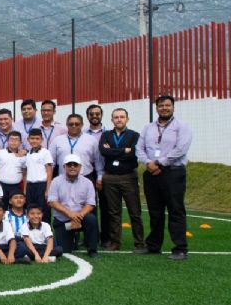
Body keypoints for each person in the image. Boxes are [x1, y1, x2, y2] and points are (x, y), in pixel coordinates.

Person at [136, 95, 192, 260]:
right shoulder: (148, 128)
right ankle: (153, 245)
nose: (164, 108)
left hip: (173, 172)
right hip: (151, 173)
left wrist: (159, 163)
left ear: (173, 107)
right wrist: (148, 163)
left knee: (176, 210)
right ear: (157, 108)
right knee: (155, 211)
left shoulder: (182, 126)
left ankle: (180, 248)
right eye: (161, 106)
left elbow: (181, 148)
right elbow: (139, 148)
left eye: (168, 105)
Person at [98, 108, 145, 252]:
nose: (119, 119)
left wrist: (114, 152)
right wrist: (124, 150)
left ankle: (139, 243)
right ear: (112, 120)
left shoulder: (134, 135)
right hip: (110, 177)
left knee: (134, 211)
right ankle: (115, 242)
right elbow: (103, 151)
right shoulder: (106, 135)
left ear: (127, 119)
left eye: (122, 117)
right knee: (113, 212)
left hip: (128, 176)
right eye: (116, 117)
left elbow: (133, 154)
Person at [48, 154, 99, 258]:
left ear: (80, 167)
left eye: (75, 165)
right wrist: (70, 214)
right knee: (65, 250)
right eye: (69, 165)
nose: (72, 167)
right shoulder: (56, 181)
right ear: (64, 167)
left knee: (91, 220)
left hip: (82, 219)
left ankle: (92, 250)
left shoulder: (87, 182)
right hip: (63, 220)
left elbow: (91, 204)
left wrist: (78, 216)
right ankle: (73, 239)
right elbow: (52, 202)